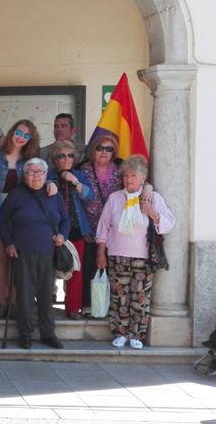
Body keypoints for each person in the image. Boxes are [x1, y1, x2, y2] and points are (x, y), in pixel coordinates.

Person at [96, 155, 175, 349]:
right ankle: (120, 333)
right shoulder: (115, 198)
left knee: (140, 297)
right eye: (125, 176)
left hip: (143, 257)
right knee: (119, 296)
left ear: (143, 178)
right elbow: (103, 227)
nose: (128, 179)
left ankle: (137, 335)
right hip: (117, 255)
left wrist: (152, 212)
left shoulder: (153, 198)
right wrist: (101, 253)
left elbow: (169, 223)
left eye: (133, 175)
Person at [0, 158, 70, 349]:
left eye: (39, 172)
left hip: (48, 252)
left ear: (46, 175)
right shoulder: (16, 195)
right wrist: (9, 244)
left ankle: (48, 334)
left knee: (47, 295)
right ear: (25, 175)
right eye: (31, 172)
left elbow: (65, 220)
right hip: (22, 252)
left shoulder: (54, 195)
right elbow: (2, 222)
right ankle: (26, 334)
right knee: (25, 295)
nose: (35, 176)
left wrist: (62, 236)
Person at [0, 119, 41, 314]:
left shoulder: (30, 160)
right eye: (19, 132)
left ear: (31, 139)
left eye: (26, 135)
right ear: (12, 131)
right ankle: (2, 303)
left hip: (20, 214)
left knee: (16, 260)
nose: (20, 138)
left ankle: (14, 304)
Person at [46, 139, 94, 319]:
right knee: (47, 270)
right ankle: (45, 307)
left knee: (75, 270)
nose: (66, 159)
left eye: (70, 156)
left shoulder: (79, 175)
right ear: (55, 159)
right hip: (52, 231)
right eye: (61, 156)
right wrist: (48, 185)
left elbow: (90, 197)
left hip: (76, 229)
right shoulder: (47, 175)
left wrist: (74, 181)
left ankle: (73, 308)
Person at [77, 133, 125, 313]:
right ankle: (89, 305)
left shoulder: (121, 168)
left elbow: (139, 180)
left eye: (109, 149)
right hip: (89, 226)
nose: (104, 152)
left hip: (115, 228)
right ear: (93, 150)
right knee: (89, 265)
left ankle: (111, 306)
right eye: (100, 148)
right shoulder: (82, 169)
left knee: (113, 266)